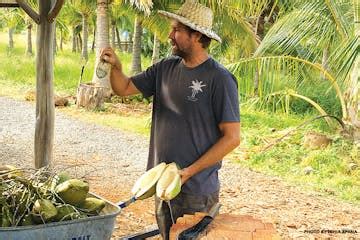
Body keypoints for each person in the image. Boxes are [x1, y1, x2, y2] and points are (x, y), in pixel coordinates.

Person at [101, 0, 240, 239]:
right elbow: (123, 88)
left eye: (176, 30)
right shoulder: (165, 68)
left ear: (196, 35)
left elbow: (232, 138)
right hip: (163, 185)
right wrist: (116, 67)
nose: (169, 34)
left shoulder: (220, 79)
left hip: (197, 189)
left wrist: (188, 172)